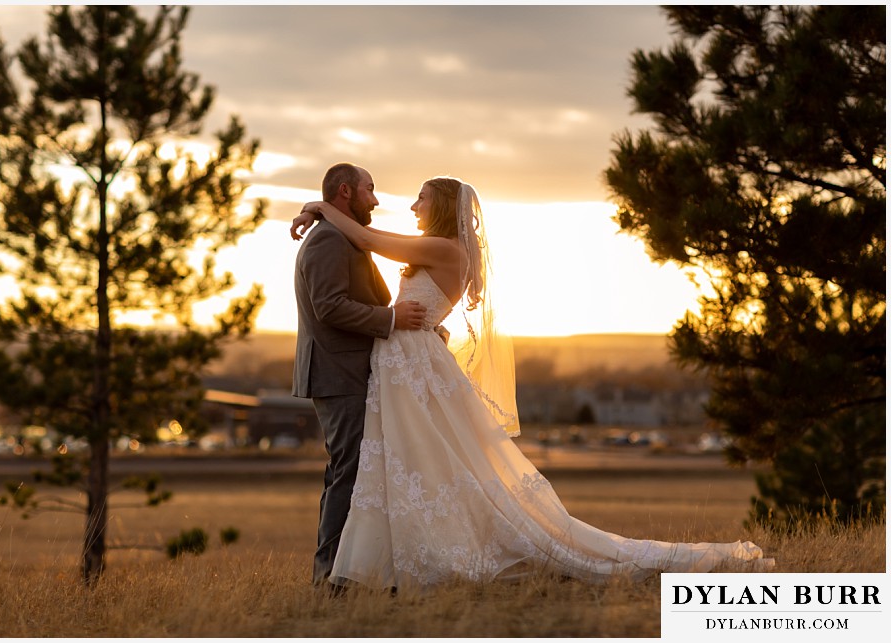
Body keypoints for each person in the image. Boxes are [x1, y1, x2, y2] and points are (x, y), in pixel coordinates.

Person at [290, 176, 774, 591]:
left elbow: (371, 240)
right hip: (406, 365)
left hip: (412, 368)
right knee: (408, 464)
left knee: (415, 462)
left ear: (440, 206)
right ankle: (376, 566)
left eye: (421, 198)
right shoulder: (442, 249)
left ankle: (389, 565)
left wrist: (319, 207)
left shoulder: (442, 247)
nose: (412, 205)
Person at [291, 162, 428, 590]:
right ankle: (328, 578)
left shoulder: (340, 233)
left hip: (349, 371)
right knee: (347, 472)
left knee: (349, 471)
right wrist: (390, 319)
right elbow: (328, 306)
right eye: (371, 189)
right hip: (338, 372)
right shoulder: (329, 239)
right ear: (347, 191)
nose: (377, 198)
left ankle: (345, 573)